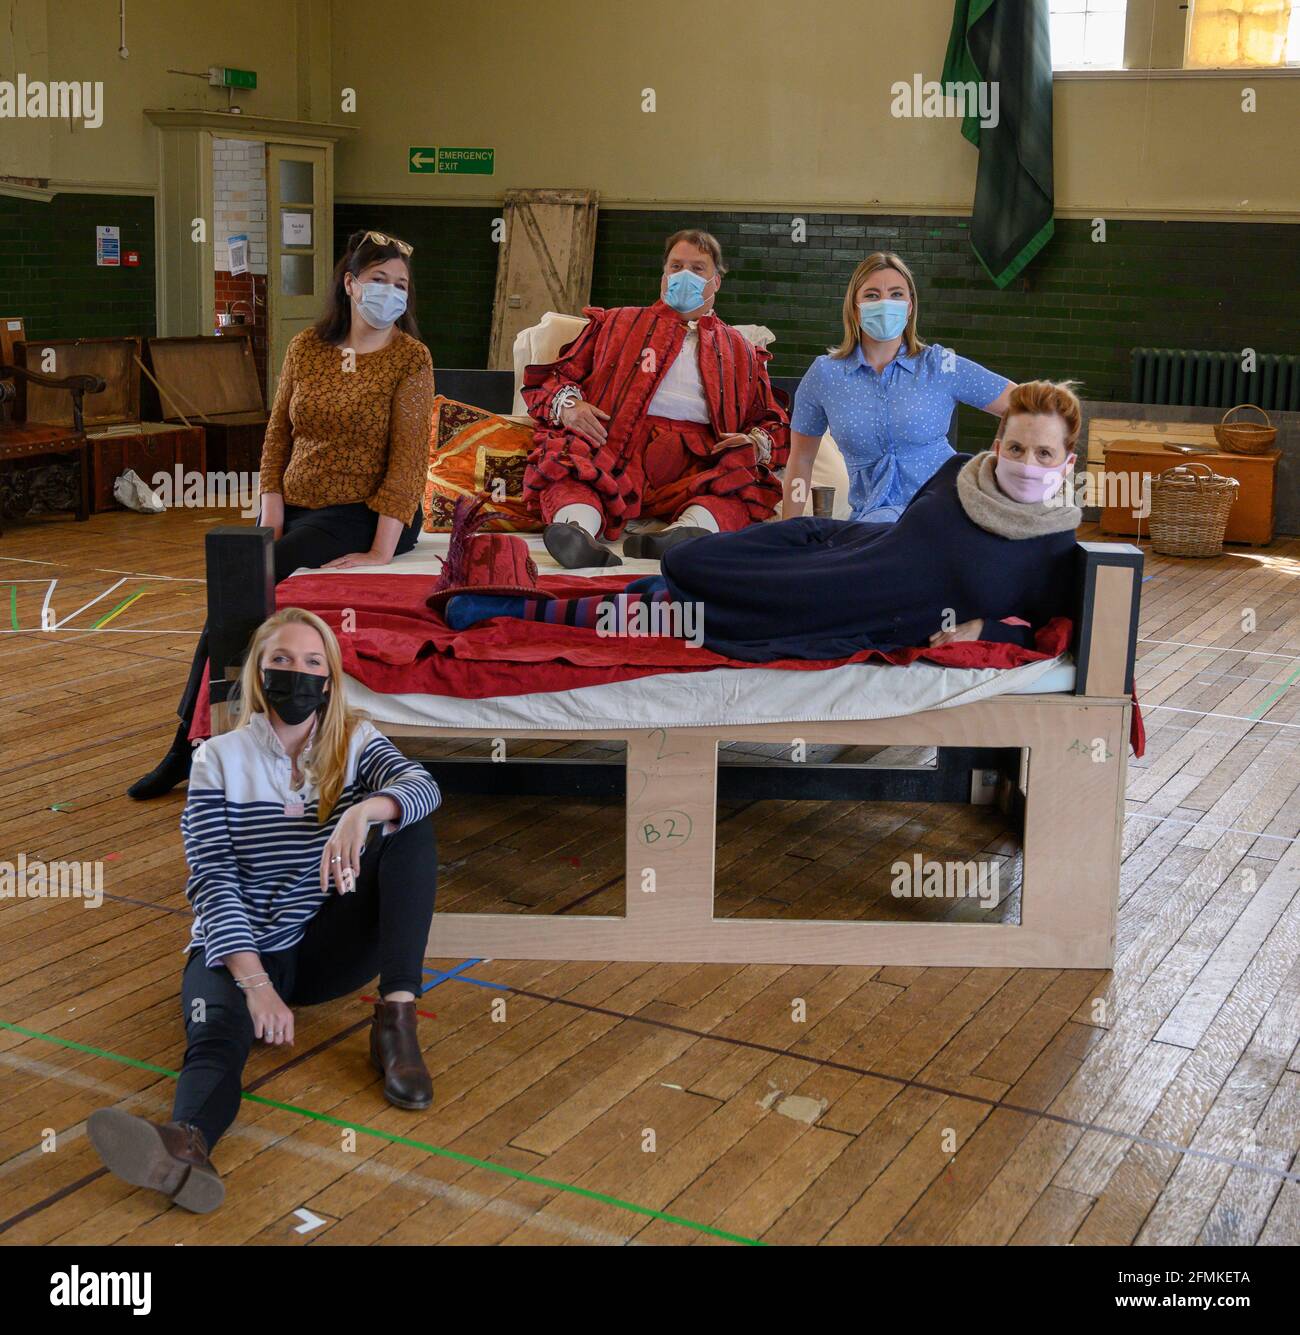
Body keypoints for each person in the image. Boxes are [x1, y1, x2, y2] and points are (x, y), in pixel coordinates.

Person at [88, 608, 440, 1213]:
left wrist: (362, 811)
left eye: (312, 663)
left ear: (329, 679)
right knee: (215, 1040)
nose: (296, 674)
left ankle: (397, 1025)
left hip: (327, 942)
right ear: (258, 671)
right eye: (281, 660)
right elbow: (213, 879)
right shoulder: (216, 758)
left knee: (409, 828)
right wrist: (255, 987)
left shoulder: (357, 740)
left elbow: (423, 785)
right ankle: (187, 1144)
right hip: (245, 946)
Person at [444, 381, 1082, 663]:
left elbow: (1060, 631)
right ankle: (503, 605)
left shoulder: (1049, 548)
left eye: (1043, 453)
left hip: (834, 609)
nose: (1026, 463)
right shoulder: (958, 477)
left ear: (1066, 461)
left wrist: (985, 625)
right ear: (998, 445)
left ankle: (497, 611)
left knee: (678, 597)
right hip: (827, 547)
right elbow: (898, 540)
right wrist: (809, 530)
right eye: (1016, 447)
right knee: (685, 563)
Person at [128, 229, 435, 800]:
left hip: (363, 511)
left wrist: (380, 549)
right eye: (378, 281)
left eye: (401, 285)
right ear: (349, 284)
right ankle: (205, 739)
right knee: (236, 584)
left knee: (252, 585)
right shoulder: (306, 349)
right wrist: (270, 514)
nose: (390, 294)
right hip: (295, 505)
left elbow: (410, 458)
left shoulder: (409, 359)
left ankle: (186, 748)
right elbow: (278, 436)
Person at [521, 228, 789, 568]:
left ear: (716, 282)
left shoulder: (742, 350)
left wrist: (755, 442)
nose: (685, 276)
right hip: (612, 444)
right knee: (566, 458)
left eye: (698, 268)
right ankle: (577, 529)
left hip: (699, 460)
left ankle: (686, 533)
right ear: (663, 276)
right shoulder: (615, 322)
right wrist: (569, 406)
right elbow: (554, 378)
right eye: (676, 267)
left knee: (744, 481)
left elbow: (772, 420)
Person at [784, 251, 1013, 523]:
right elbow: (801, 462)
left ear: (910, 306)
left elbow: (1025, 406)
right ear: (854, 307)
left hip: (946, 510)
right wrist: (789, 530)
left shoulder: (940, 364)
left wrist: (1000, 469)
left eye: (896, 294)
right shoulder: (825, 374)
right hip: (873, 522)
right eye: (871, 295)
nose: (884, 303)